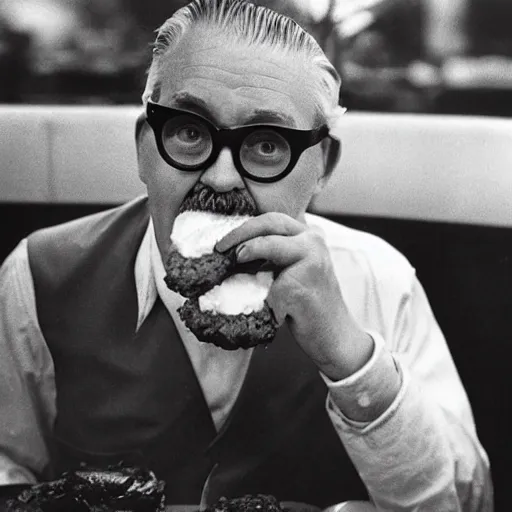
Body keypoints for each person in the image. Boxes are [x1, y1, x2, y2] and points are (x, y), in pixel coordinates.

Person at [0, 0, 492, 510]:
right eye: (189, 132)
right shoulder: (39, 277)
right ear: (145, 147)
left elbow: (468, 501)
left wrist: (352, 359)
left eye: (266, 145)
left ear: (322, 166)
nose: (220, 177)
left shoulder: (379, 280)